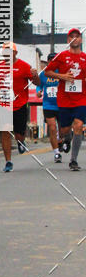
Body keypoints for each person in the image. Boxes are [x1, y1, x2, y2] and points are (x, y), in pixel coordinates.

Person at [44, 28, 86, 171]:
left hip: (81, 98)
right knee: (64, 129)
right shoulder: (61, 56)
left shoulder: (85, 58)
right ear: (68, 40)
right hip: (64, 99)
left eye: (77, 36)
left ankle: (73, 160)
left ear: (81, 40)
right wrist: (62, 76)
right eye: (71, 36)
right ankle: (66, 138)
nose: (75, 39)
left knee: (79, 125)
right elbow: (47, 71)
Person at [0, 44, 39, 172]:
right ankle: (8, 162)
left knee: (19, 134)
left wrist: (35, 75)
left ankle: (21, 142)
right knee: (5, 132)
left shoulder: (24, 66)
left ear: (15, 53)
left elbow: (37, 83)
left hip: (20, 104)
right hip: (4, 104)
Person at [36, 53, 62, 163]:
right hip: (48, 105)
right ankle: (56, 153)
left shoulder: (62, 71)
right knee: (52, 128)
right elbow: (39, 85)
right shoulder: (43, 73)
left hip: (62, 105)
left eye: (55, 60)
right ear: (48, 62)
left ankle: (63, 141)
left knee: (63, 130)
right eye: (51, 60)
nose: (53, 62)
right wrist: (38, 92)